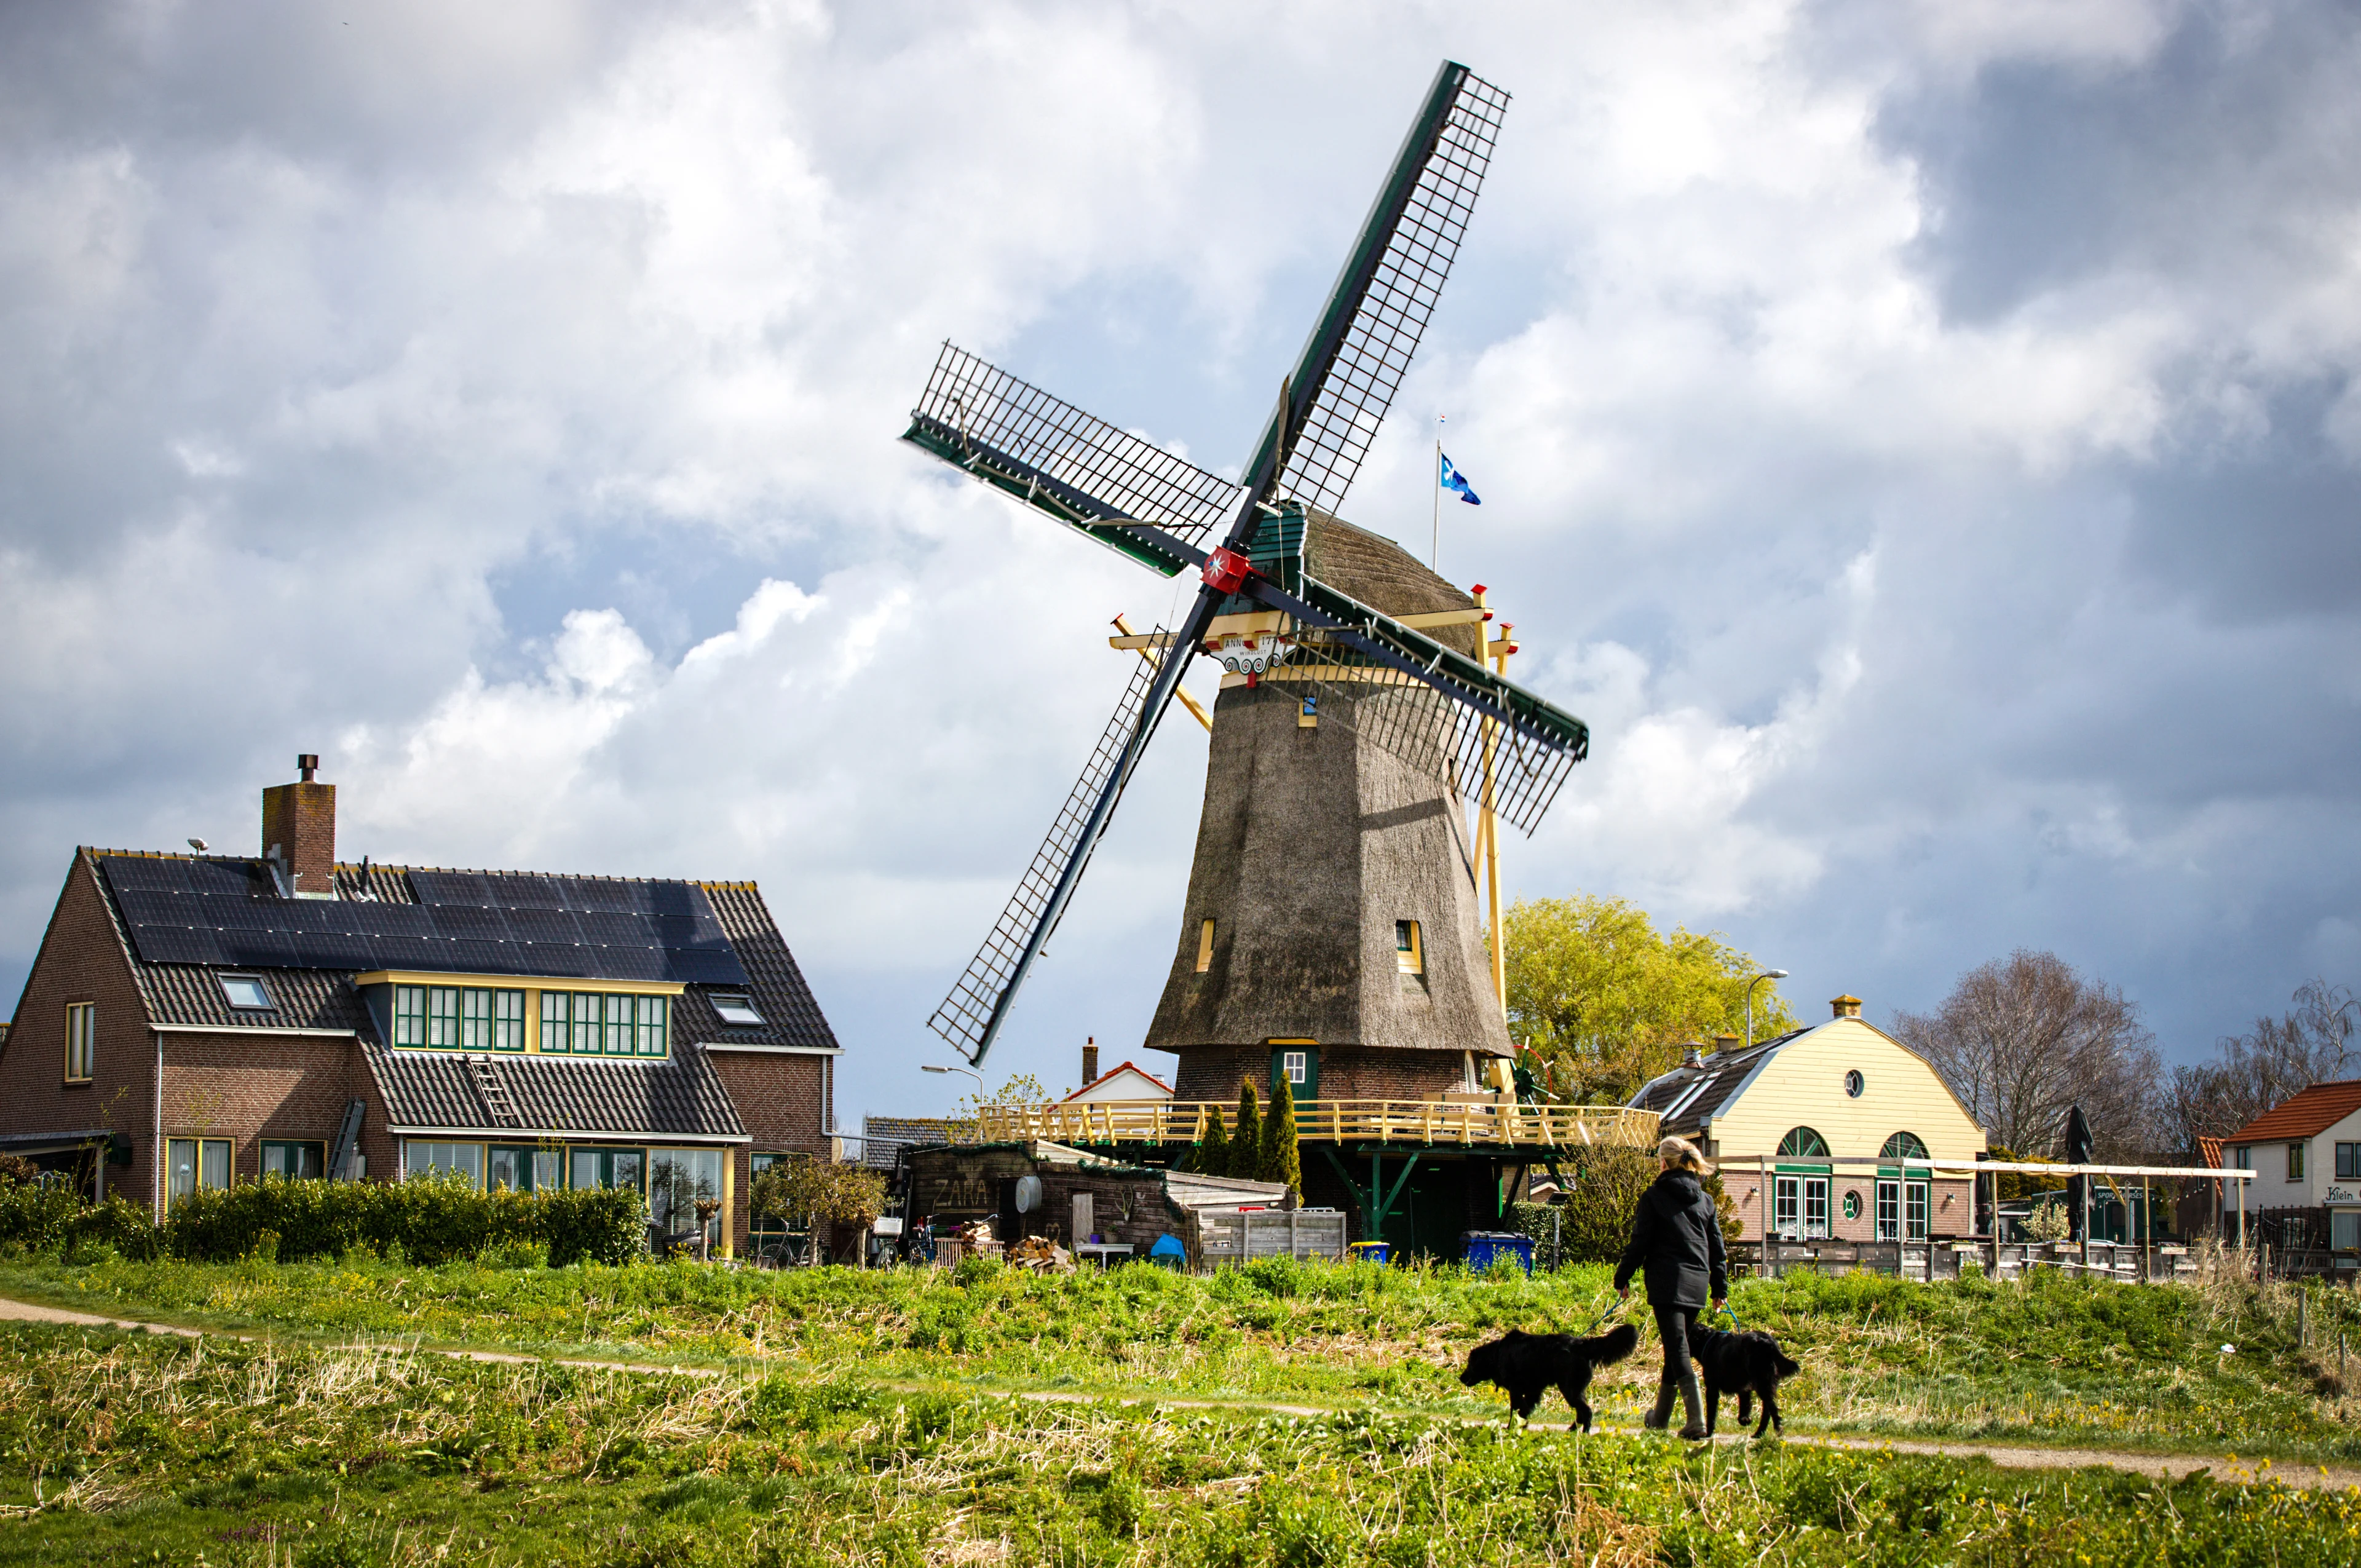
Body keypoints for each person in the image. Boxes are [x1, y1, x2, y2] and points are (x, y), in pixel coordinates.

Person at [1613, 1135, 1728, 1439]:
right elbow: (1717, 1247)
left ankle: (1696, 1421)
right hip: (1698, 1283)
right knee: (1676, 1347)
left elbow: (1641, 1242)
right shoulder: (1705, 1200)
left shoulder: (1654, 1196)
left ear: (1663, 1163)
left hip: (1668, 1283)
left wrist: (1622, 1277)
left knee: (1677, 1347)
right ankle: (1660, 1418)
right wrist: (1720, 1288)